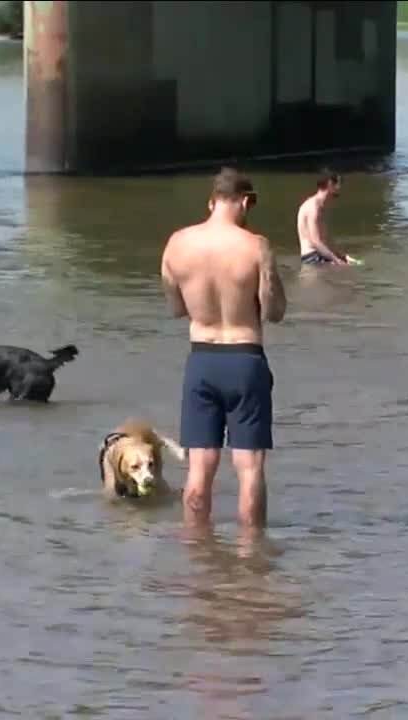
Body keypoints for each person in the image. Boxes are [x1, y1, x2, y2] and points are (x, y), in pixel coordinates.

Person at [160, 167, 286, 531]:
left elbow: (175, 308)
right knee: (249, 468)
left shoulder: (177, 244)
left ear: (211, 201)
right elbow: (274, 311)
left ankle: (198, 558)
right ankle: (251, 558)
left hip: (201, 360)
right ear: (245, 201)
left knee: (199, 467)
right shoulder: (255, 245)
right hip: (245, 359)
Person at [296, 169, 357, 265]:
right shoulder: (313, 207)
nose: (340, 188)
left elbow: (325, 239)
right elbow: (315, 242)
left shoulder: (321, 206)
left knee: (350, 268)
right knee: (347, 274)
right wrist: (337, 261)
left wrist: (342, 256)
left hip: (319, 255)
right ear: (330, 184)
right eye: (338, 184)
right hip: (312, 257)